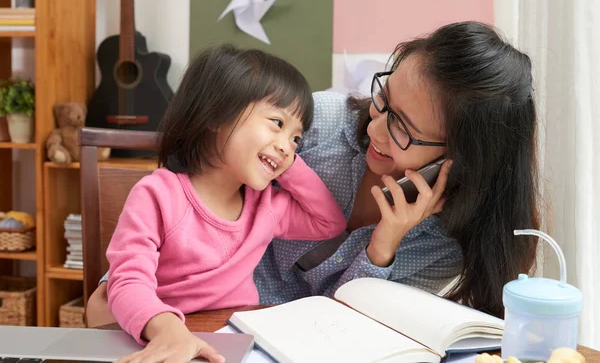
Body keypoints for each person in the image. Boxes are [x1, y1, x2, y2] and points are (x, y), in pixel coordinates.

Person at [88, 21, 539, 336]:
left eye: (403, 128)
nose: (375, 128)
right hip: (190, 319)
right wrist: (130, 296)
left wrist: (382, 247)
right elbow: (188, 199)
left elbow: (352, 327)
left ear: (458, 159)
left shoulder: (443, 243)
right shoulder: (312, 126)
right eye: (384, 97)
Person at [104, 44, 348, 363]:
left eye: (296, 138)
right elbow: (126, 283)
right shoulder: (157, 193)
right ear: (217, 115)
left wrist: (288, 163)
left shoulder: (267, 207)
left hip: (237, 344)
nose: (288, 146)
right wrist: (167, 331)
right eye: (277, 123)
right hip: (166, 339)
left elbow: (329, 223)